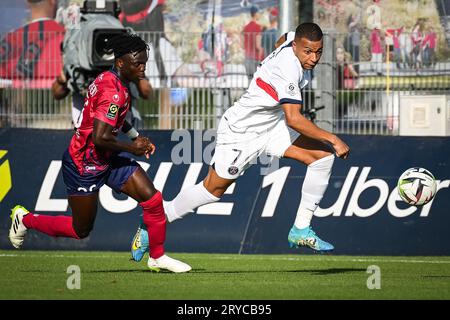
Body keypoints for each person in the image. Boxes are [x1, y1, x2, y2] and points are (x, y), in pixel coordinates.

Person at [130, 23, 350, 262]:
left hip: (271, 125)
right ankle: (153, 223)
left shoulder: (291, 41)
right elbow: (294, 119)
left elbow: (282, 39)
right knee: (212, 189)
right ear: (296, 46)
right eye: (307, 51)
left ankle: (300, 229)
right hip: (241, 132)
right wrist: (333, 138)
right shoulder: (288, 69)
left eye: (318, 51)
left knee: (322, 158)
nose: (314, 57)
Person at [8, 33, 191, 273]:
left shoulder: (109, 79)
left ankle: (157, 256)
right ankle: (25, 220)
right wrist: (132, 148)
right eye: (138, 63)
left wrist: (136, 136)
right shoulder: (113, 91)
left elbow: (116, 119)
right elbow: (100, 137)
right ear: (121, 63)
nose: (143, 67)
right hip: (83, 164)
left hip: (106, 159)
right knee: (80, 230)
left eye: (145, 62)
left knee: (153, 200)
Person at [0, 0, 65, 127]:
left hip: (14, 120)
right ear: (52, 1)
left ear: (27, 3)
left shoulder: (10, 38)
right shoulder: (66, 36)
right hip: (59, 117)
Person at [242, 4, 263, 80]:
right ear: (255, 14)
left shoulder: (245, 27)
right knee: (257, 83)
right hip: (255, 58)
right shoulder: (258, 27)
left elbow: (242, 44)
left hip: (247, 58)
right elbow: (258, 46)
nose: (260, 15)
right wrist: (261, 54)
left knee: (250, 82)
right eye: (259, 13)